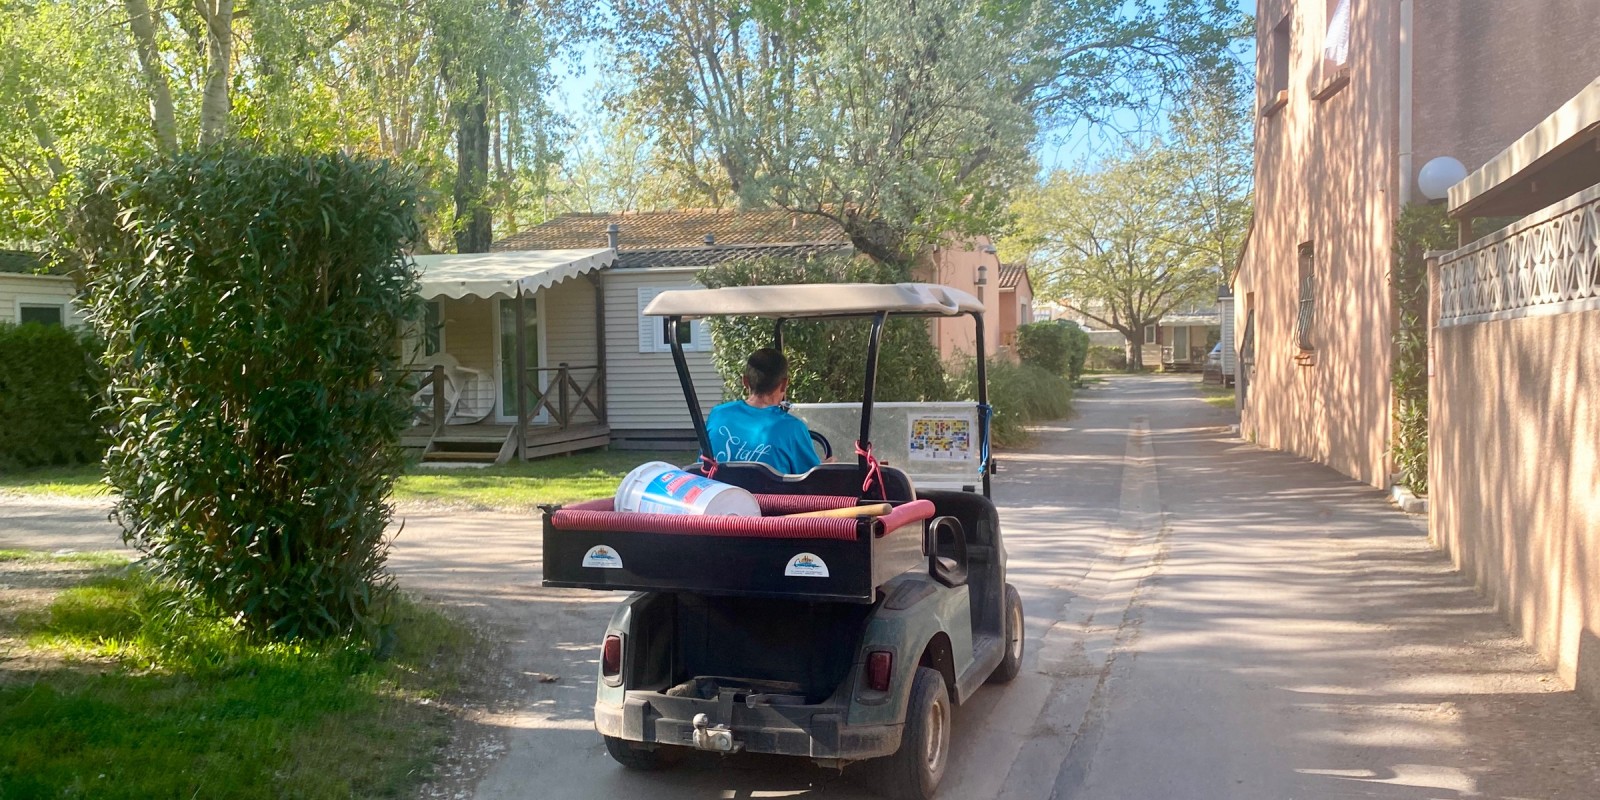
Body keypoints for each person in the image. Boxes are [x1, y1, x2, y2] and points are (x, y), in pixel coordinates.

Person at [705, 348, 823, 474]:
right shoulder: (793, 429)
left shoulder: (718, 415)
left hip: (723, 493)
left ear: (745, 381)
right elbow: (812, 480)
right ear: (784, 384)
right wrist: (823, 468)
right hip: (767, 494)